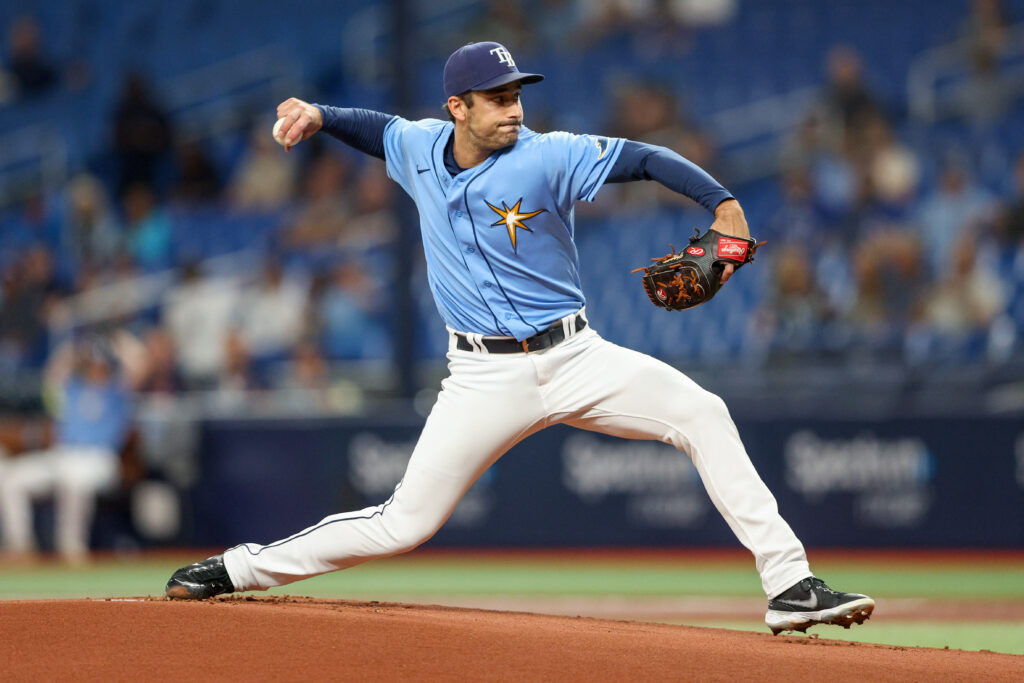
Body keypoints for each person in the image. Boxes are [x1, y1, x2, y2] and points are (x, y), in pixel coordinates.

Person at [166, 42, 875, 635]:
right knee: (402, 522)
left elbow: (647, 158)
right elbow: (373, 127)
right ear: (457, 108)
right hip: (481, 379)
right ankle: (237, 568)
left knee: (703, 413)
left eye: (516, 94)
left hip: (575, 356)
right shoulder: (418, 145)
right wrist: (318, 114)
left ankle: (790, 584)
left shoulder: (549, 155)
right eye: (496, 97)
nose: (513, 108)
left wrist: (724, 205)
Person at [0, 332, 142, 561]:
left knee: (74, 481)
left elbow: (138, 365)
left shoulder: (117, 392)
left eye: (101, 364)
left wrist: (117, 340)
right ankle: (20, 547)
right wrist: (75, 346)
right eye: (92, 364)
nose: (96, 368)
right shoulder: (72, 390)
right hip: (65, 455)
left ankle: (72, 551)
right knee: (11, 480)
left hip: (100, 459)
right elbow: (53, 373)